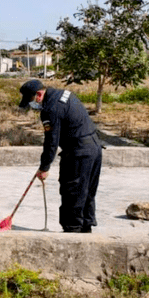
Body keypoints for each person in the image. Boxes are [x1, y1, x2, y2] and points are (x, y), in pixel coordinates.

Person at [18, 79, 102, 233]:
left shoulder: (50, 108)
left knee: (73, 191)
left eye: (31, 101)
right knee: (87, 192)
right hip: (94, 147)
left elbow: (51, 142)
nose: (32, 106)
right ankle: (85, 229)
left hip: (79, 152)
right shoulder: (63, 93)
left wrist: (44, 167)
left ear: (38, 94)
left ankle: (73, 232)